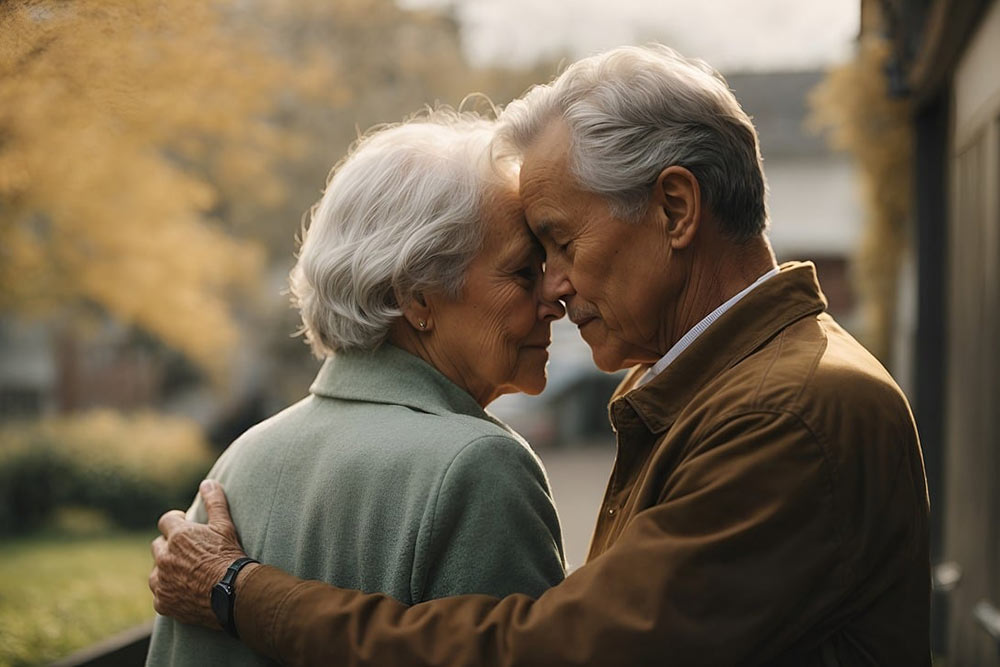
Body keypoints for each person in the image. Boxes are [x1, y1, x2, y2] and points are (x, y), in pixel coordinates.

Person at [150, 44, 931, 666]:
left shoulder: (784, 412)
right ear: (417, 298)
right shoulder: (743, 393)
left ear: (675, 208)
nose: (554, 289)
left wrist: (239, 589)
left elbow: (552, 651)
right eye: (531, 261)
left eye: (558, 242)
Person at [145, 109, 568, 666]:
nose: (556, 296)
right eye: (523, 273)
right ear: (418, 297)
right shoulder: (479, 467)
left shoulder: (240, 461)